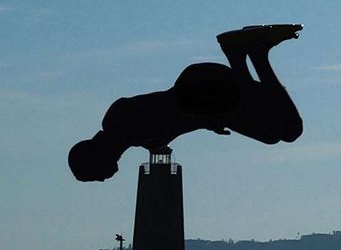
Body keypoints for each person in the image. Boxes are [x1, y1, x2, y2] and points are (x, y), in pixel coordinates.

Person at [69, 24, 304, 182]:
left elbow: (172, 112)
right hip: (206, 95)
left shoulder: (127, 128)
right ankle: (245, 52)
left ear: (98, 160)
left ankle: (252, 52)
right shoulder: (127, 132)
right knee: (276, 130)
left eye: (96, 175)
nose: (102, 179)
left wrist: (206, 121)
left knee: (287, 129)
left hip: (206, 91)